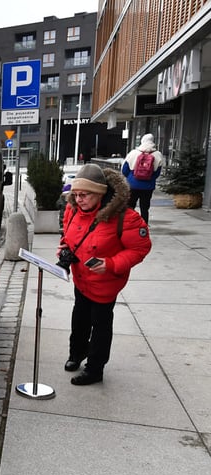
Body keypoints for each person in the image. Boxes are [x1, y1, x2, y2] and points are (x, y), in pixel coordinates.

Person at [57, 164, 151, 386]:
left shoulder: (125, 218)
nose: (78, 199)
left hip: (105, 282)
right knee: (79, 319)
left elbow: (140, 249)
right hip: (81, 278)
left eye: (84, 195)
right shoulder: (72, 209)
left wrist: (110, 264)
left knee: (100, 324)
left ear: (99, 193)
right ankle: (77, 354)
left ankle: (95, 369)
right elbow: (70, 235)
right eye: (76, 194)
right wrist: (64, 247)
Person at [122, 133, 164, 224]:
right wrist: (150, 178)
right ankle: (144, 226)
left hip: (133, 184)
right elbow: (157, 173)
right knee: (145, 208)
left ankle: (129, 224)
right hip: (148, 186)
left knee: (130, 207)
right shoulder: (158, 154)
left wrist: (130, 178)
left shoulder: (133, 153)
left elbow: (124, 170)